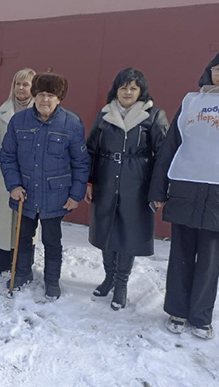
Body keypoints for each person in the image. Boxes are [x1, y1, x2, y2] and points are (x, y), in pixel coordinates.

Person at [149, 47, 219, 339]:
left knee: (209, 260)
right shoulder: (192, 102)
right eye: (217, 69)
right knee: (180, 255)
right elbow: (170, 146)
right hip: (186, 187)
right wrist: (158, 188)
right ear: (208, 71)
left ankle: (200, 317)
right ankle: (177, 312)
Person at [0, 72, 90, 300]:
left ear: (59, 98)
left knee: (52, 241)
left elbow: (81, 162)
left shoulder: (71, 123)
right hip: (25, 193)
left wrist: (76, 195)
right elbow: (7, 156)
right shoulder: (19, 121)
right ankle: (22, 273)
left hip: (55, 196)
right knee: (22, 236)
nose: (45, 100)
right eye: (41, 94)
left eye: (51, 95)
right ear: (35, 96)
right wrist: (14, 185)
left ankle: (52, 280)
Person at [85, 68, 168, 310]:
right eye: (123, 87)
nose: (128, 92)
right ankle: (109, 276)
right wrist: (88, 181)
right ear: (116, 90)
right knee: (105, 228)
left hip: (137, 183)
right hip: (106, 179)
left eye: (133, 88)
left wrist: (159, 190)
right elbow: (91, 149)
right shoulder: (105, 115)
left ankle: (121, 283)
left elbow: (163, 154)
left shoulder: (153, 115)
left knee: (128, 232)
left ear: (141, 91)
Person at [0, 68, 36, 277]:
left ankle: (23, 262)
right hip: (5, 173)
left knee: (25, 220)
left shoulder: (39, 111)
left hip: (30, 174)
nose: (21, 88)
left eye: (26, 84)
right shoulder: (3, 111)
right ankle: (2, 261)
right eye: (18, 84)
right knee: (5, 219)